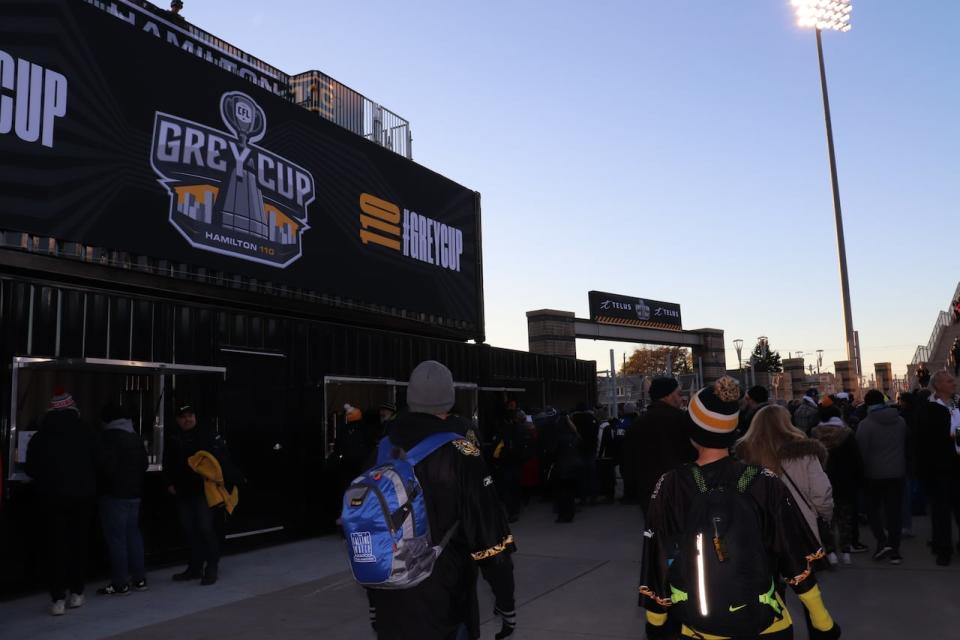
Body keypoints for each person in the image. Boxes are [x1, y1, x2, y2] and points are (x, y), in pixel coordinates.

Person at [640, 377, 841, 640]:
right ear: (732, 430)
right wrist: (821, 619)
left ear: (691, 432)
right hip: (768, 626)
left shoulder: (671, 485)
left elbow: (658, 557)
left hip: (696, 628)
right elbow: (794, 555)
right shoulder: (764, 481)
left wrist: (655, 621)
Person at [368, 360, 515, 640]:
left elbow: (369, 527)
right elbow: (489, 536)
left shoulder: (383, 448)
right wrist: (506, 601)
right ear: (448, 400)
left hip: (389, 599)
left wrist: (374, 602)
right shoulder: (462, 452)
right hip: (446, 600)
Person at [25, 389, 97, 616]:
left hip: (51, 499)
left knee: (55, 547)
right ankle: (77, 593)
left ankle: (57, 599)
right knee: (78, 545)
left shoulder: (40, 436)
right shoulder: (86, 431)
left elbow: (31, 468)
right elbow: (99, 460)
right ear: (73, 408)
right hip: (81, 498)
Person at [736, 405, 834, 562]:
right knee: (805, 580)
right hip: (801, 530)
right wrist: (825, 515)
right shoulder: (805, 454)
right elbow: (821, 492)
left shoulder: (747, 459)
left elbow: (741, 496)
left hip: (762, 535)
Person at [163, 404, 229, 585]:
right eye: (183, 416)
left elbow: (220, 461)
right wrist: (169, 483)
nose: (187, 419)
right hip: (183, 492)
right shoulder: (174, 437)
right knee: (190, 531)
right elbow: (167, 461)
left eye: (190, 415)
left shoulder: (207, 435)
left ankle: (212, 568)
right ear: (178, 419)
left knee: (205, 529)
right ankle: (194, 567)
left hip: (204, 493)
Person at [95, 403, 149, 595]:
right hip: (134, 494)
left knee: (116, 540)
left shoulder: (108, 437)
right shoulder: (134, 436)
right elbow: (144, 463)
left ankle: (120, 582)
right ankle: (140, 579)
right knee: (133, 535)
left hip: (113, 495)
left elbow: (103, 466)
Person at [855, 389, 908, 565]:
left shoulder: (865, 424)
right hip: (897, 472)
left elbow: (861, 452)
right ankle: (895, 550)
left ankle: (882, 541)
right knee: (894, 512)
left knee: (874, 510)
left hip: (873, 475)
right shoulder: (900, 421)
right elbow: (905, 444)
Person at [633, 377, 695, 516]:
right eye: (678, 394)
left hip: (648, 490)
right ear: (669, 395)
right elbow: (693, 453)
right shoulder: (682, 420)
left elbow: (628, 458)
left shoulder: (638, 423)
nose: (681, 399)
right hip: (679, 488)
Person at [810, 405, 865, 563]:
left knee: (825, 518)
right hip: (845, 481)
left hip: (821, 481)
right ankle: (846, 551)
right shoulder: (847, 434)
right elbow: (857, 460)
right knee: (845, 518)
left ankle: (830, 551)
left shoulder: (814, 434)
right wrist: (859, 480)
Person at [916, 370, 960, 565]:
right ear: (938, 386)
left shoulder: (958, 403)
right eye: (949, 381)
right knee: (941, 511)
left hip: (958, 467)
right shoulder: (928, 409)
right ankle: (943, 548)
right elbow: (924, 441)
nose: (954, 383)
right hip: (939, 469)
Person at [549, 414, 584, 523]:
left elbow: (553, 452)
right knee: (570, 493)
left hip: (562, 468)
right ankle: (570, 514)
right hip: (574, 467)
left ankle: (563, 515)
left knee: (561, 493)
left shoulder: (559, 437)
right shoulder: (575, 435)